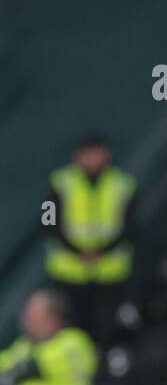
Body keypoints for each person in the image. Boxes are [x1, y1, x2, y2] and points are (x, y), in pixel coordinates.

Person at [45, 134, 137, 341]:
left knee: (106, 330)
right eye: (87, 153)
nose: (92, 158)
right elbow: (49, 223)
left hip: (109, 273)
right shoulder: (61, 182)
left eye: (96, 152)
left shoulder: (122, 184)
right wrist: (78, 252)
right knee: (69, 330)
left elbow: (131, 226)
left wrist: (102, 252)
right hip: (68, 273)